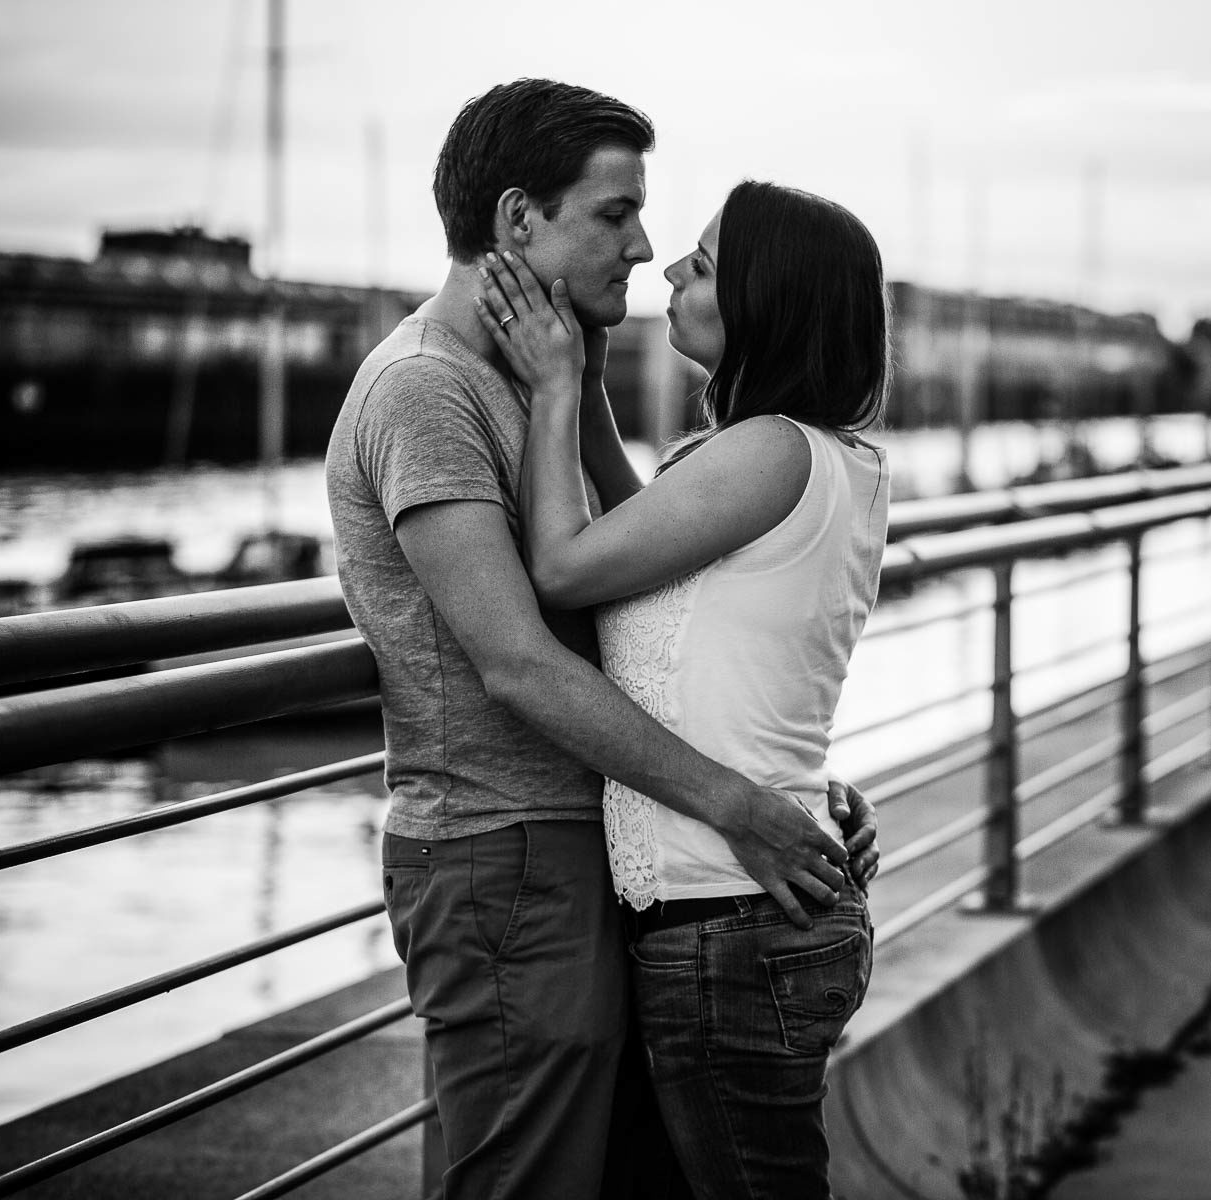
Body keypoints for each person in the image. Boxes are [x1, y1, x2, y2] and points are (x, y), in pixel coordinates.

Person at [324, 80, 877, 1200]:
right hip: (509, 845)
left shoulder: (534, 385)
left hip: (611, 856)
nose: (647, 246)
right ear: (519, 221)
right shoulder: (431, 390)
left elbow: (643, 577)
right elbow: (518, 655)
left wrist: (795, 794)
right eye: (615, 214)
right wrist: (746, 802)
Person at [472, 178, 890, 1198]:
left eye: (700, 264)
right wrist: (593, 379)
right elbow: (641, 529)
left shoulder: (767, 450)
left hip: (732, 923)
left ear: (763, 300)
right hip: (753, 913)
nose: (668, 271)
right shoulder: (817, 456)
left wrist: (555, 389)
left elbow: (567, 568)